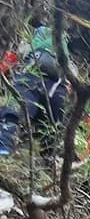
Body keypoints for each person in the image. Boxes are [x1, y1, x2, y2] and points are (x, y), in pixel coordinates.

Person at [0, 25, 68, 158]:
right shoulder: (63, 45)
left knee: (15, 109)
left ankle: (4, 144)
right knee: (54, 122)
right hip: (56, 84)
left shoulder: (32, 40)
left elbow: (11, 60)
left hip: (31, 74)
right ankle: (49, 157)